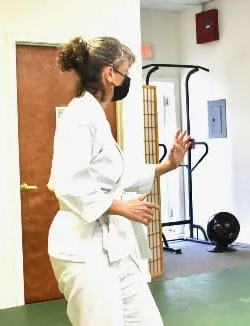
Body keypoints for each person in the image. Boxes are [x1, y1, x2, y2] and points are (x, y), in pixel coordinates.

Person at [47, 36, 193, 326]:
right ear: (109, 73)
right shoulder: (79, 117)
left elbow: (119, 175)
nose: (125, 80)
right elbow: (67, 183)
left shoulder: (96, 116)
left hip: (114, 247)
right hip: (84, 249)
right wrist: (119, 206)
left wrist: (169, 164)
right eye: (125, 72)